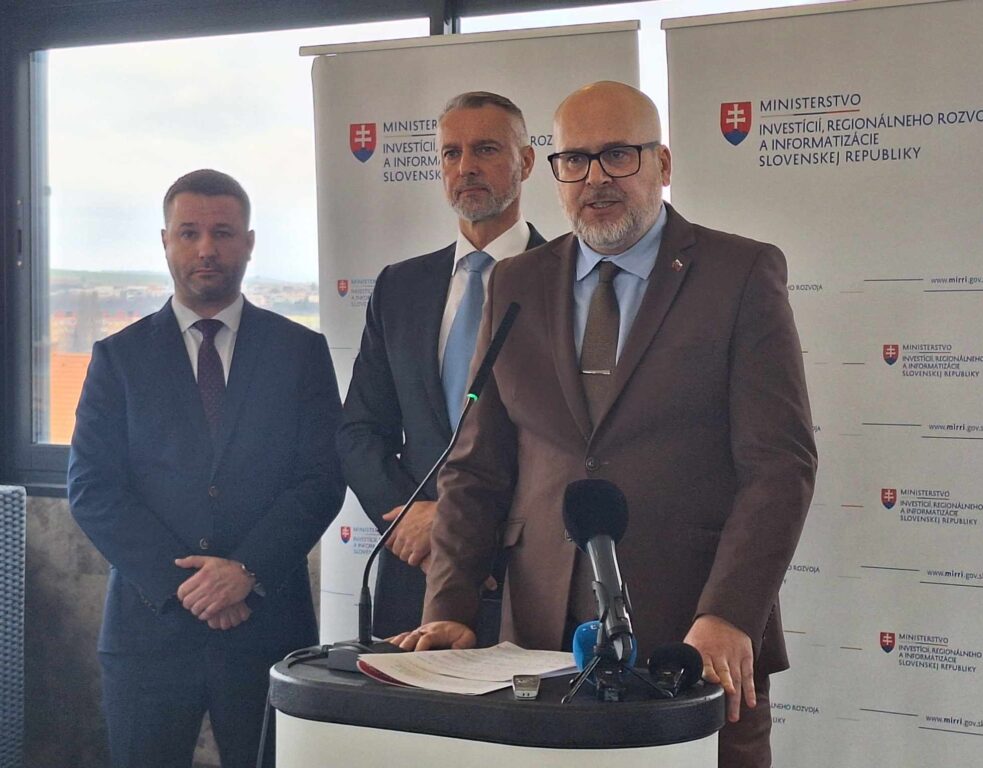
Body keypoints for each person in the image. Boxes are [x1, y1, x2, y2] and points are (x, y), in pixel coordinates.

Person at [395, 82, 817, 768]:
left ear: (663, 163)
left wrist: (729, 612)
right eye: (576, 159)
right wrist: (449, 607)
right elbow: (476, 468)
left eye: (619, 155)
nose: (596, 178)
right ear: (554, 172)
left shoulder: (739, 273)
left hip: (696, 643)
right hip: (537, 648)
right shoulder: (516, 283)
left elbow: (779, 467)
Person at [68, 169, 344, 768]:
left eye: (222, 232)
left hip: (268, 629)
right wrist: (187, 588)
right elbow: (92, 488)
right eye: (189, 232)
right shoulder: (118, 358)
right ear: (164, 241)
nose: (206, 249)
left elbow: (322, 479)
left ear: (249, 242)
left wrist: (246, 570)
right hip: (150, 634)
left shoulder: (300, 352)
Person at [337, 91, 545, 642]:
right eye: (451, 153)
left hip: (524, 575)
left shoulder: (567, 281)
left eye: (486, 150)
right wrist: (410, 516)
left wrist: (457, 523)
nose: (466, 166)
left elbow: (569, 449)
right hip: (415, 573)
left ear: (526, 162)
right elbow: (360, 431)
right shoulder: (400, 287)